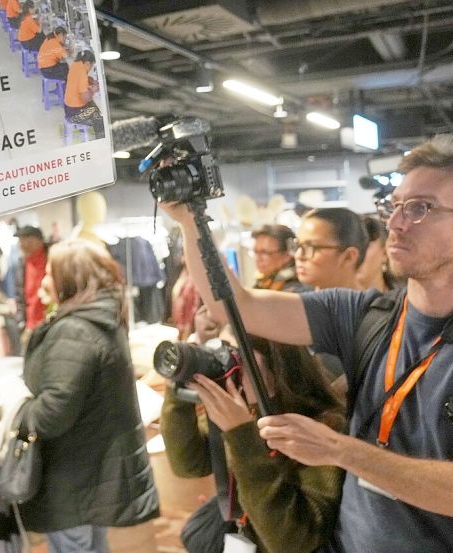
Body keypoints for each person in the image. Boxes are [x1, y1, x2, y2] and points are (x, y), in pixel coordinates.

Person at [160, 134, 453, 552]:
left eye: (420, 208)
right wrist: (190, 222)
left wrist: (340, 450)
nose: (396, 223)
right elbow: (235, 306)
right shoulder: (365, 315)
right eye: (396, 206)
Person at [16, 239, 158, 553]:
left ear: (70, 279)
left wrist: (19, 412)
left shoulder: (75, 330)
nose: (44, 281)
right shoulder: (103, 320)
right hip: (93, 470)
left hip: (73, 476)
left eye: (51, 274)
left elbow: (52, 413)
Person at [160, 336, 345, 553]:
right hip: (246, 532)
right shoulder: (247, 409)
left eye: (237, 355)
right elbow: (189, 464)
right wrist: (178, 394)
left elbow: (292, 541)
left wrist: (241, 435)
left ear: (277, 370)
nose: (227, 363)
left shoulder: (324, 427)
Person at [291, 207, 367, 291]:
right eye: (298, 245)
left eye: (311, 247)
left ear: (348, 257)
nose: (298, 256)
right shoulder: (290, 300)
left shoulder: (374, 303)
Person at [250, 224, 307, 292]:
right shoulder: (264, 282)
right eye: (255, 252)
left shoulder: (297, 289)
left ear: (287, 255)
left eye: (264, 252)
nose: (258, 258)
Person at [64, 50, 105, 139]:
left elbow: (83, 78)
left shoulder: (76, 64)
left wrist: (92, 81)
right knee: (100, 119)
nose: (91, 68)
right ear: (87, 63)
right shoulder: (82, 73)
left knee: (96, 108)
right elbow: (85, 98)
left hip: (68, 108)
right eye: (92, 65)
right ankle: (101, 141)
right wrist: (93, 90)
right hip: (74, 115)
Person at [14, 226, 47, 333]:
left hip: (49, 321)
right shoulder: (22, 263)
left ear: (36, 241)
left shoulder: (52, 258)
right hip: (30, 325)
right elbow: (20, 295)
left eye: (24, 240)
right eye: (20, 240)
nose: (21, 245)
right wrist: (20, 320)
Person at [357, 215, 398, 291]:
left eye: (364, 246)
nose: (356, 255)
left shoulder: (408, 298)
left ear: (385, 253)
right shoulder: (332, 300)